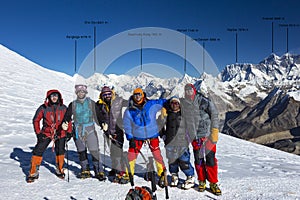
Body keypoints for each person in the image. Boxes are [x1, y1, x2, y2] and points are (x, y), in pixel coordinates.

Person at [181, 83, 221, 195]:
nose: (189, 92)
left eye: (190, 90)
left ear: (194, 90)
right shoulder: (184, 104)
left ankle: (213, 183)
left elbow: (214, 115)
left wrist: (215, 131)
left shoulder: (204, 101)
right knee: (198, 161)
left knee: (211, 159)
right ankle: (202, 180)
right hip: (195, 137)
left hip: (208, 136)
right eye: (186, 91)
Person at [123, 88, 167, 187]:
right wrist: (130, 138)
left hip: (152, 135)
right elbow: (127, 125)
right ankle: (128, 173)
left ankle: (161, 174)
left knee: (157, 154)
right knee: (132, 154)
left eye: (139, 95)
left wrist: (173, 102)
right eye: (135, 95)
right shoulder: (130, 110)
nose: (137, 97)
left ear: (143, 95)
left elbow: (164, 102)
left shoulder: (151, 104)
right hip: (137, 136)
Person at [61, 84, 106, 181]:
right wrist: (65, 122)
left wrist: (102, 123)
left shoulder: (91, 103)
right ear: (76, 93)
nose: (81, 93)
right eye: (79, 92)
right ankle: (85, 169)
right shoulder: (73, 104)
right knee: (81, 151)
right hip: (78, 129)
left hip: (90, 128)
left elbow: (98, 115)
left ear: (85, 93)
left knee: (94, 150)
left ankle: (99, 170)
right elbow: (68, 115)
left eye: (83, 92)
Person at [28, 89, 72, 183]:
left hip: (60, 132)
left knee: (60, 150)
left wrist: (69, 132)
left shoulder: (64, 108)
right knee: (38, 150)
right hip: (47, 132)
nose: (54, 97)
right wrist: (38, 133)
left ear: (59, 97)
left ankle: (59, 169)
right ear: (48, 97)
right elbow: (36, 120)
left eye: (56, 96)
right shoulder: (43, 108)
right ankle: (33, 172)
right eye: (52, 96)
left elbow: (68, 120)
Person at [160, 96, 195, 189]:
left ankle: (190, 177)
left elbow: (191, 126)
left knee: (184, 160)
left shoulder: (184, 114)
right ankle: (174, 176)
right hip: (170, 142)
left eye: (176, 103)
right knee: (172, 161)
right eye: (172, 103)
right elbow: (159, 124)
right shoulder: (167, 114)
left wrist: (190, 137)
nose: (174, 105)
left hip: (182, 142)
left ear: (179, 104)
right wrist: (163, 135)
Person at [95, 86, 129, 184]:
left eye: (109, 94)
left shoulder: (119, 101)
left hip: (118, 131)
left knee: (117, 152)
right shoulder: (99, 105)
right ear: (102, 96)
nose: (107, 96)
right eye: (105, 95)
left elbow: (130, 102)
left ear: (112, 93)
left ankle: (121, 172)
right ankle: (115, 168)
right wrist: (101, 124)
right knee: (112, 152)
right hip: (108, 133)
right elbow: (98, 117)